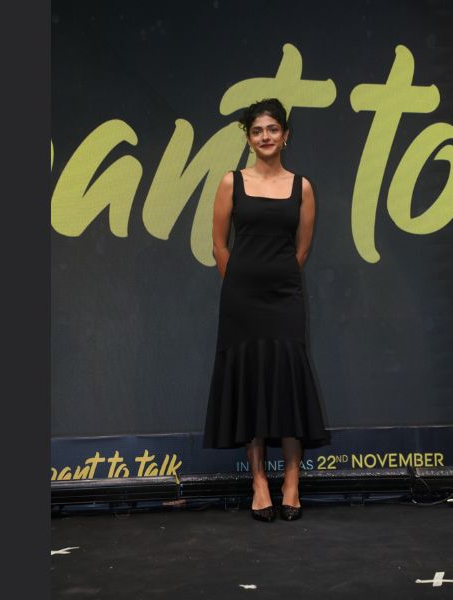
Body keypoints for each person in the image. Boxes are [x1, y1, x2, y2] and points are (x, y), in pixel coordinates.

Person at [203, 98, 330, 522]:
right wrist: (241, 283)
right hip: (242, 301)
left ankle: (292, 481)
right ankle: (258, 481)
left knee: (287, 382)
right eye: (257, 131)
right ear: (249, 139)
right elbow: (219, 245)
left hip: (284, 298)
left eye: (273, 129)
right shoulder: (231, 182)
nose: (265, 137)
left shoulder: (302, 187)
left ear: (285, 135)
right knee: (250, 381)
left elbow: (302, 249)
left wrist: (277, 279)